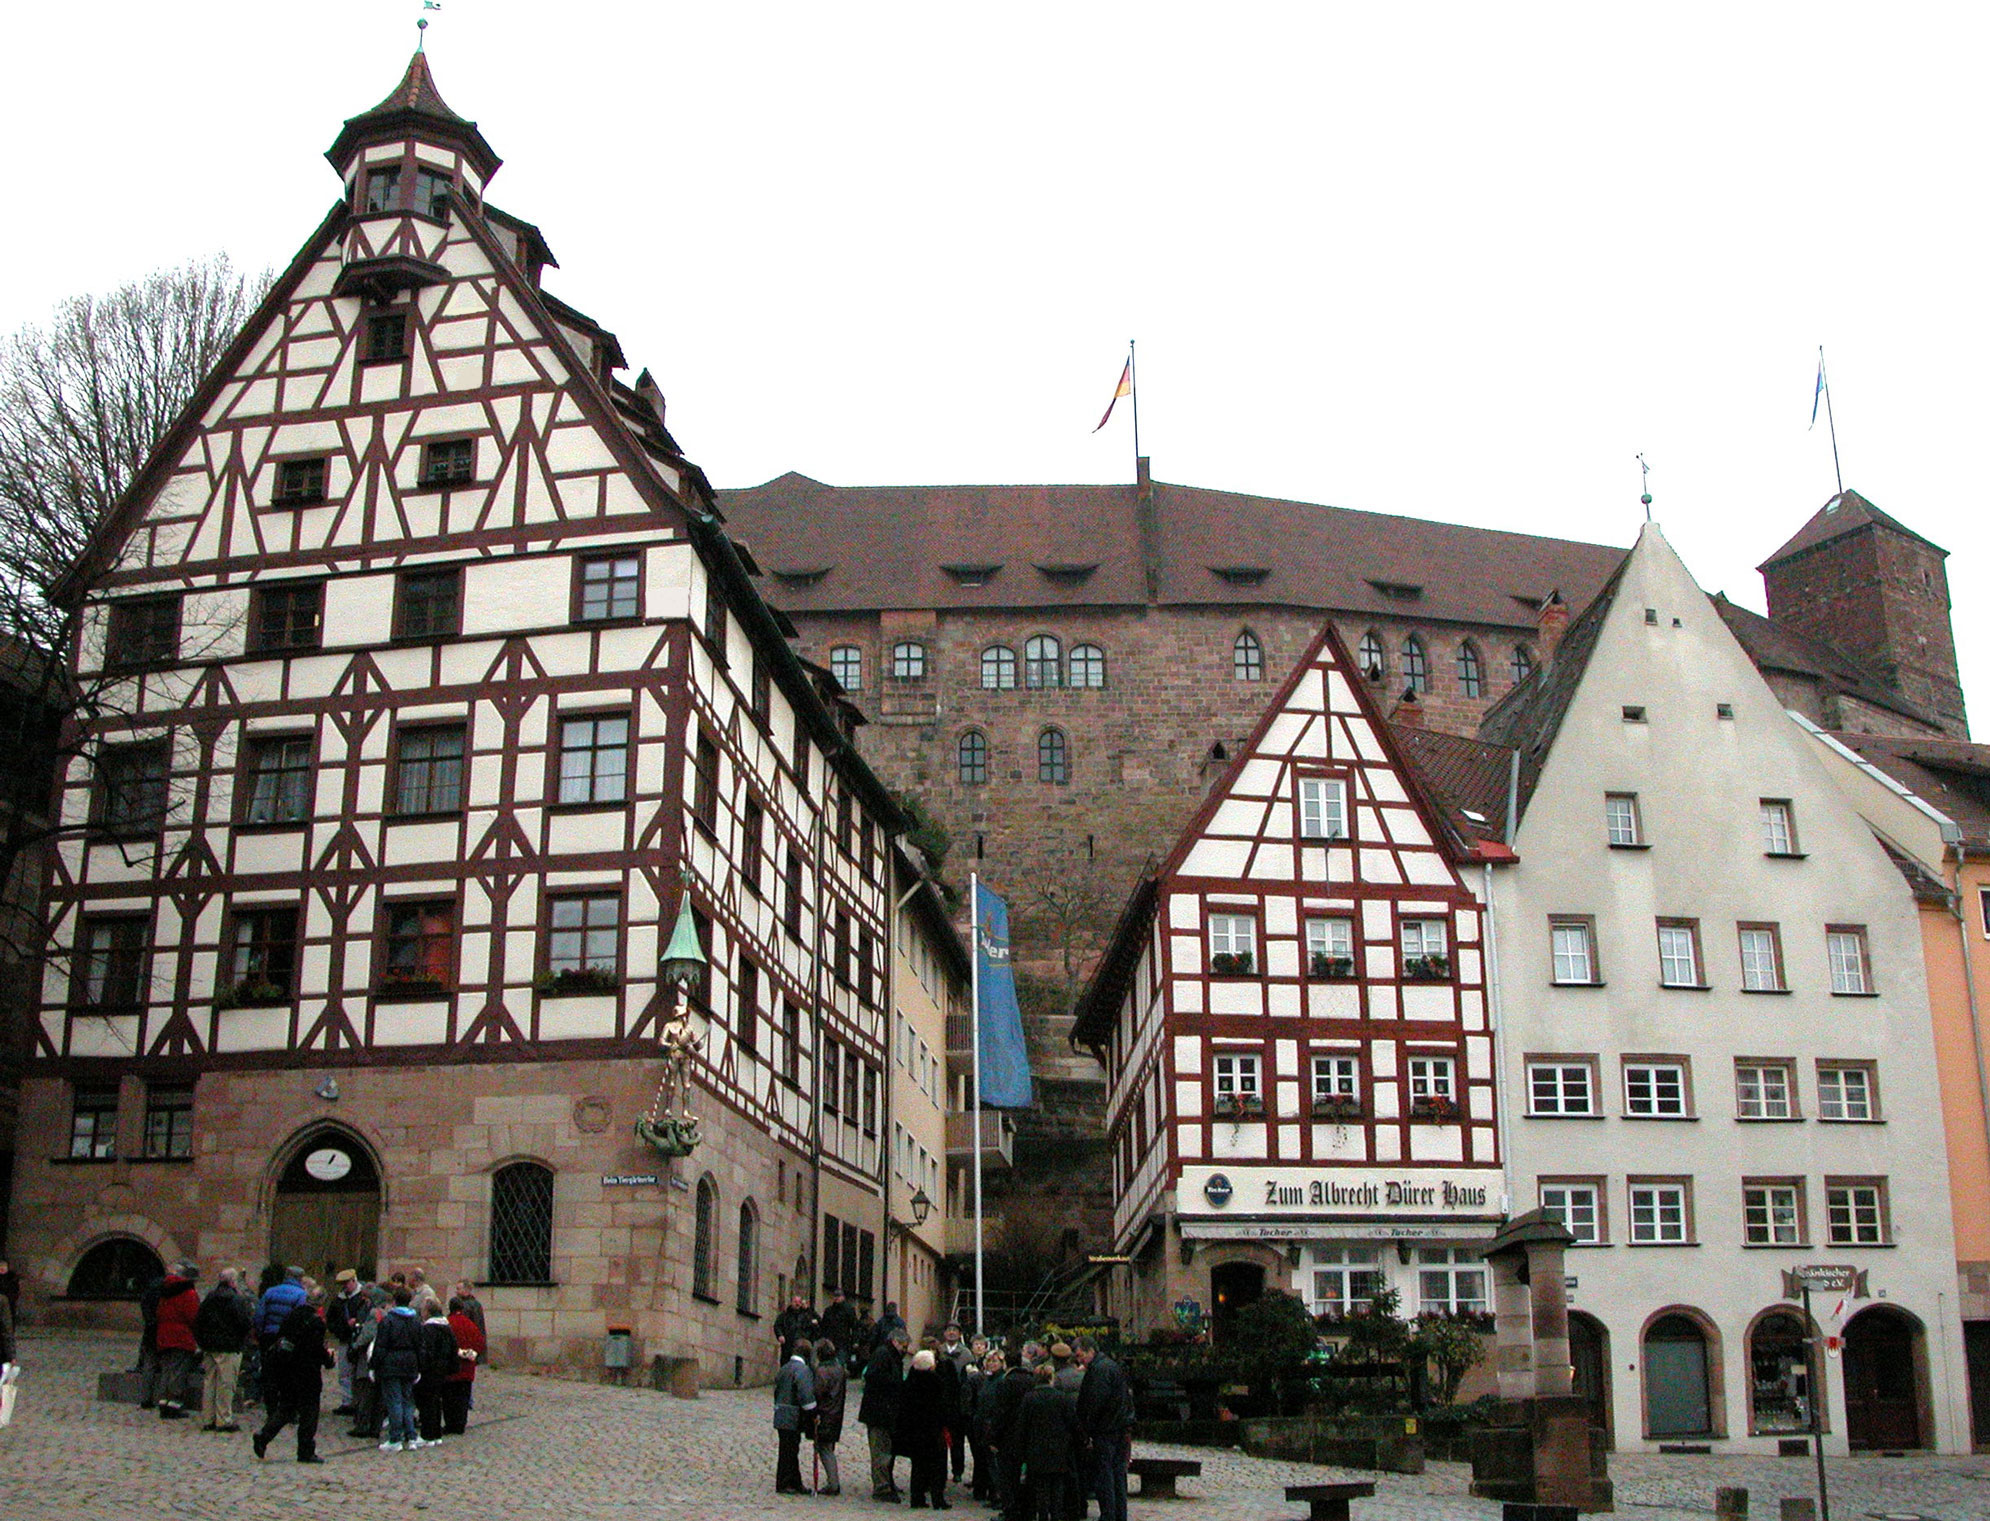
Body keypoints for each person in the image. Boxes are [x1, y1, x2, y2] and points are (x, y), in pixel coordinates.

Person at [252, 1287, 334, 1463]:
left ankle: (264, 1436)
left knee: (287, 1407)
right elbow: (316, 1350)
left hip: (287, 1369)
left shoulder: (291, 1316)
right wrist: (328, 1360)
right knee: (309, 1412)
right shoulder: (316, 1323)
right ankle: (305, 1450)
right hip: (307, 1372)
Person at [1073, 1337, 1132, 1521]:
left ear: (1090, 1351)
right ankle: (1119, 1514)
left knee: (1106, 1475)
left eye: (1080, 1355)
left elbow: (1095, 1402)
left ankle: (1109, 1514)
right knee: (1117, 1475)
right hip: (1118, 1427)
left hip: (1106, 1430)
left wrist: (1088, 1428)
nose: (1079, 1360)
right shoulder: (1110, 1366)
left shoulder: (1099, 1370)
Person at [1013, 1364, 1079, 1521]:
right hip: (1059, 1450)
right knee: (1057, 1487)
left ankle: (1042, 1516)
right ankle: (1055, 1515)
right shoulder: (1063, 1398)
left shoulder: (1029, 1398)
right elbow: (1073, 1423)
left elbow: (1022, 1426)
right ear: (1052, 1378)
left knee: (1040, 1488)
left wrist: (1020, 1449)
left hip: (1035, 1450)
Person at [194, 1266, 253, 1432]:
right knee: (226, 1385)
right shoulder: (236, 1300)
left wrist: (202, 1342)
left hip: (209, 1347)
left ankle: (208, 1418)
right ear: (233, 1282)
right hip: (229, 1347)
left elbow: (198, 1322)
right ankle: (224, 1419)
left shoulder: (209, 1298)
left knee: (210, 1382)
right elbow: (245, 1323)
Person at [988, 1343, 1041, 1521]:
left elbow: (1001, 1412)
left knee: (1008, 1476)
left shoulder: (1006, 1383)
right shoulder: (1031, 1380)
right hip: (1028, 1435)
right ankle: (1028, 1509)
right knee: (1027, 1475)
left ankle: (1010, 1510)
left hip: (1009, 1437)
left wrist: (993, 1436)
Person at [370, 1285, 424, 1451]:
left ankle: (395, 1438)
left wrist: (373, 1366)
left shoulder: (388, 1321)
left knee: (394, 1401)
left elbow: (381, 1346)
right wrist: (419, 1366)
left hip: (391, 1365)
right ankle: (411, 1436)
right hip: (410, 1364)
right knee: (407, 1401)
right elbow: (420, 1346)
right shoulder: (416, 1321)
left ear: (394, 1301)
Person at [859, 1327, 908, 1501]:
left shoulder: (889, 1355)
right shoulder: (883, 1354)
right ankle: (881, 1488)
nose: (905, 1349)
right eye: (903, 1345)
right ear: (895, 1341)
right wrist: (896, 1384)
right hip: (879, 1412)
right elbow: (875, 1378)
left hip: (885, 1411)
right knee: (880, 1452)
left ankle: (887, 1483)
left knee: (886, 1450)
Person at [897, 1347, 950, 1509]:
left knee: (918, 1467)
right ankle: (938, 1499)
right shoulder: (937, 1382)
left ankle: (917, 1498)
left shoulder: (909, 1383)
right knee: (937, 1467)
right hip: (933, 1431)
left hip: (915, 1431)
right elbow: (943, 1407)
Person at [153, 1263, 201, 1419]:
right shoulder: (188, 1293)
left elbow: (158, 1313)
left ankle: (163, 1401)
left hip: (163, 1336)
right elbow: (193, 1317)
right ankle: (173, 1405)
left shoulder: (164, 1291)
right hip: (181, 1337)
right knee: (178, 1372)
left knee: (166, 1370)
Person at [773, 1338, 818, 1494]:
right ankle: (785, 1483)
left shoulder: (784, 1368)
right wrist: (813, 1412)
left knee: (787, 1449)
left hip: (781, 1413)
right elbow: (806, 1395)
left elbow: (777, 1389)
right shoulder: (802, 1370)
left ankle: (793, 1481)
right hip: (792, 1415)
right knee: (790, 1451)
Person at [415, 1297, 459, 1442]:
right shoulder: (446, 1327)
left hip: (430, 1370)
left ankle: (428, 1434)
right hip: (442, 1369)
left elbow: (425, 1351)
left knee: (428, 1402)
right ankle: (435, 1433)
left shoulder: (428, 1329)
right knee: (435, 1401)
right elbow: (454, 1349)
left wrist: (421, 1366)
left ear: (427, 1312)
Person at [325, 1270, 367, 1414]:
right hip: (345, 1339)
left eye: (347, 1283)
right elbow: (331, 1321)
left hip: (360, 1340)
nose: (345, 1287)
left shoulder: (363, 1297)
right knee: (345, 1372)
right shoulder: (338, 1300)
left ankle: (358, 1402)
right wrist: (344, 1326)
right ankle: (347, 1401)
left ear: (354, 1281)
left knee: (359, 1373)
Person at [442, 1296, 485, 1435]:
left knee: (449, 1399)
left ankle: (450, 1424)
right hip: (467, 1368)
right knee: (463, 1398)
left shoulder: (448, 1323)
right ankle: (460, 1424)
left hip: (451, 1368)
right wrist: (471, 1354)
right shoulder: (470, 1324)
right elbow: (479, 1342)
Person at [811, 1336, 847, 1496]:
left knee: (824, 1448)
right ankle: (832, 1482)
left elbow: (818, 1393)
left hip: (825, 1413)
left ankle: (833, 1483)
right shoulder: (840, 1369)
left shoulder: (822, 1371)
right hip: (836, 1412)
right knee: (829, 1447)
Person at [939, 1325, 973, 1486]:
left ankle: (957, 1470)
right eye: (949, 1330)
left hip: (958, 1402)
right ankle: (940, 1471)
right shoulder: (939, 1351)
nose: (951, 1333)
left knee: (957, 1440)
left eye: (955, 1330)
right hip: (942, 1401)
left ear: (959, 1334)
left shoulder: (966, 1354)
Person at [968, 1350, 1003, 1503]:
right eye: (989, 1361)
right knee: (987, 1461)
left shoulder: (1001, 1381)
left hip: (992, 1425)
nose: (992, 1364)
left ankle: (998, 1495)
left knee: (995, 1463)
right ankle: (990, 1492)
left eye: (995, 1361)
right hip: (982, 1424)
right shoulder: (987, 1380)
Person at [774, 1291, 819, 1363]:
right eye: (795, 1302)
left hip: (802, 1347)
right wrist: (780, 1335)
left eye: (799, 1302)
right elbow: (777, 1326)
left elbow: (817, 1324)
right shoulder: (785, 1315)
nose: (797, 1304)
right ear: (791, 1302)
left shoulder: (807, 1315)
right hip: (788, 1346)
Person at [819, 1286, 857, 1367]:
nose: (836, 1298)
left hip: (843, 1342)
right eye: (835, 1296)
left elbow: (854, 1326)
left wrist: (855, 1341)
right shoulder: (828, 1311)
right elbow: (824, 1326)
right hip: (830, 1342)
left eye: (838, 1296)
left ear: (843, 1297)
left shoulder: (849, 1310)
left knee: (839, 1364)